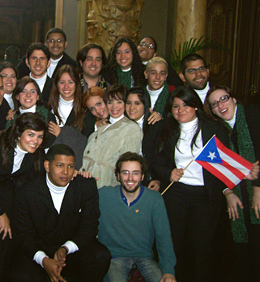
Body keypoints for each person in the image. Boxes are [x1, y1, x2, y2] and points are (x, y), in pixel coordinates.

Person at [152, 85, 231, 282]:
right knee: (175, 242)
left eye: (185, 105)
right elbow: (156, 160)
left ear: (195, 106)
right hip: (177, 193)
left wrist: (229, 192)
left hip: (206, 196)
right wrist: (168, 173)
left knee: (201, 245)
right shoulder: (167, 130)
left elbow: (225, 162)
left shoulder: (214, 129)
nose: (181, 110)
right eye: (176, 106)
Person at [11, 144, 111, 282]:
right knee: (20, 275)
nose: (66, 172)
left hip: (71, 249)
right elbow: (23, 233)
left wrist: (66, 248)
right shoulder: (27, 190)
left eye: (70, 166)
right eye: (59, 165)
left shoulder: (85, 186)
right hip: (39, 249)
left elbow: (90, 225)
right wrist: (43, 259)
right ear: (47, 166)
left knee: (101, 256)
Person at [0, 113, 47, 282]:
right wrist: (1, 215)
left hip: (4, 196)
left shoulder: (34, 153)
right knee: (1, 236)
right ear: (18, 133)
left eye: (40, 137)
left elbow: (44, 175)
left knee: (16, 233)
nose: (35, 141)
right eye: (31, 134)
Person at [204, 85, 260, 281]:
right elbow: (219, 169)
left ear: (234, 99)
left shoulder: (253, 115)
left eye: (224, 99)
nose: (220, 105)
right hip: (240, 199)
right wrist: (228, 192)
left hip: (257, 192)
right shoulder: (218, 132)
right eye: (214, 104)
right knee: (243, 254)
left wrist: (257, 189)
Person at [98, 152, 176, 282]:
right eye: (125, 173)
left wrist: (169, 271)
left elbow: (164, 238)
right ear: (118, 175)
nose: (130, 178)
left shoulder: (154, 199)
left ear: (142, 176)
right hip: (114, 258)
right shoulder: (104, 195)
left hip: (144, 258)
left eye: (135, 173)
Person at [81, 84, 142, 188]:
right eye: (110, 102)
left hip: (107, 188)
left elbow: (128, 167)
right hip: (86, 188)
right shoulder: (94, 133)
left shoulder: (131, 129)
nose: (114, 106)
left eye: (119, 102)